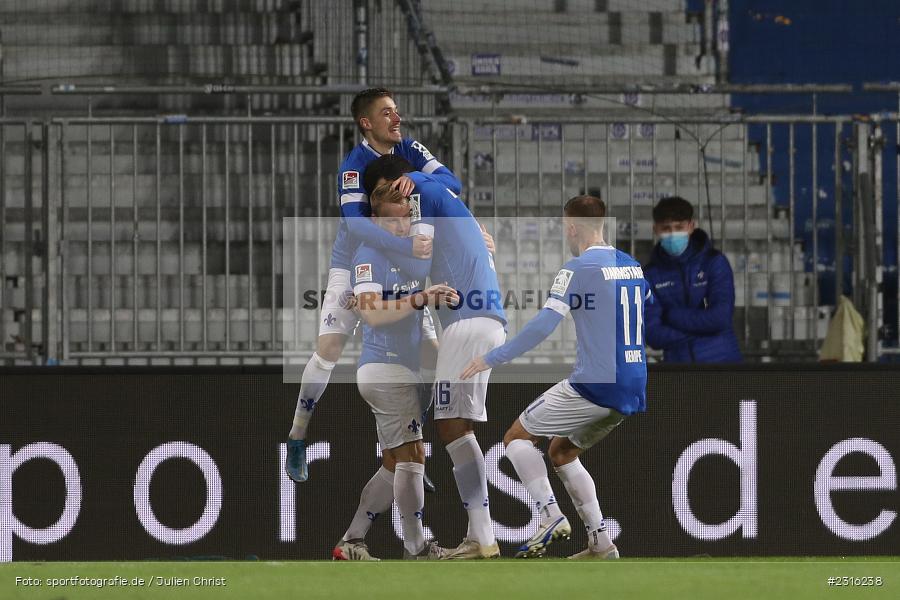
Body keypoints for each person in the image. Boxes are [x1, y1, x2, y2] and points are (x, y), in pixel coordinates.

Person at [285, 87, 461, 484]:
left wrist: (415, 178)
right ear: (367, 123)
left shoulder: (411, 149)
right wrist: (403, 243)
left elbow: (453, 184)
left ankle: (407, 441)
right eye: (387, 113)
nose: (397, 118)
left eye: (397, 111)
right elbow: (355, 223)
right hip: (355, 264)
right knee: (329, 347)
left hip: (407, 264)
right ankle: (297, 436)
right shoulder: (354, 165)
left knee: (432, 357)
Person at [460, 195, 648, 560]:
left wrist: (493, 357)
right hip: (634, 383)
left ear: (572, 227)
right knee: (562, 451)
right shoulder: (633, 266)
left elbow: (544, 325)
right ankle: (602, 543)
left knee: (516, 437)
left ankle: (549, 514)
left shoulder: (577, 268)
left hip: (595, 382)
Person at [364, 155, 507, 560]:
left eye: (381, 196)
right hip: (476, 319)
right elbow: (451, 180)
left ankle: (482, 536)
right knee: (453, 424)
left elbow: (420, 252)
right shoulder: (439, 192)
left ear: (397, 184)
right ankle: (481, 535)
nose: (383, 208)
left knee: (453, 426)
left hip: (467, 318)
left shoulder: (420, 193)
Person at [333, 191, 457, 561]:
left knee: (395, 461)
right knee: (413, 457)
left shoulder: (411, 258)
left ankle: (351, 541)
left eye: (405, 219)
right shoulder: (369, 257)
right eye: (391, 221)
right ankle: (417, 548)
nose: (401, 226)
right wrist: (420, 299)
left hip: (401, 368)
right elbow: (372, 314)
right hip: (383, 368)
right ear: (375, 224)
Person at [643, 196, 742, 363]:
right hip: (679, 371)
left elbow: (720, 318)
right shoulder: (650, 275)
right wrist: (706, 328)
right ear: (656, 230)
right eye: (666, 228)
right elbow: (653, 335)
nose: (673, 234)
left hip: (723, 365)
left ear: (691, 226)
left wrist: (670, 316)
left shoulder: (714, 262)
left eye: (679, 227)